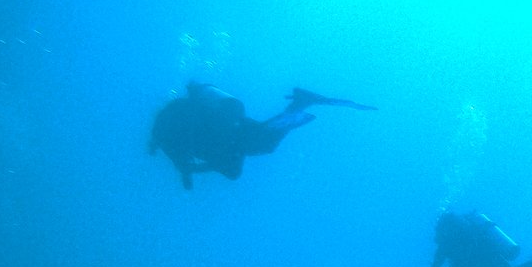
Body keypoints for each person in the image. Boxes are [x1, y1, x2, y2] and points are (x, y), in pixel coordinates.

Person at [149, 83, 376, 190]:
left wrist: (191, 172)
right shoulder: (173, 122)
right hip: (229, 113)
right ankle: (298, 106)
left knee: (255, 145)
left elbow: (182, 166)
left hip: (220, 126)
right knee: (259, 143)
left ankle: (300, 104)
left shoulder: (165, 133)